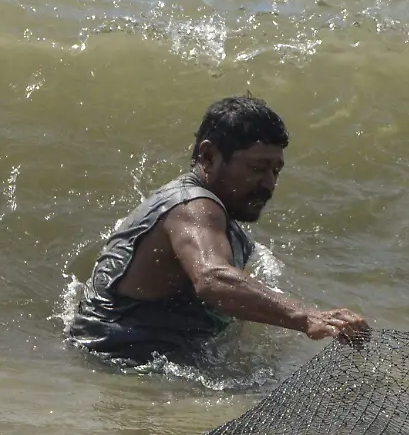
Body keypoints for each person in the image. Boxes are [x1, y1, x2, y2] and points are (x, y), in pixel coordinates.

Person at [66, 96, 369, 364]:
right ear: (209, 156)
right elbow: (212, 279)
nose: (268, 184)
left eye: (275, 171)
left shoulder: (219, 217)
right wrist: (308, 316)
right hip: (121, 365)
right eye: (256, 168)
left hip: (148, 364)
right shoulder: (194, 206)